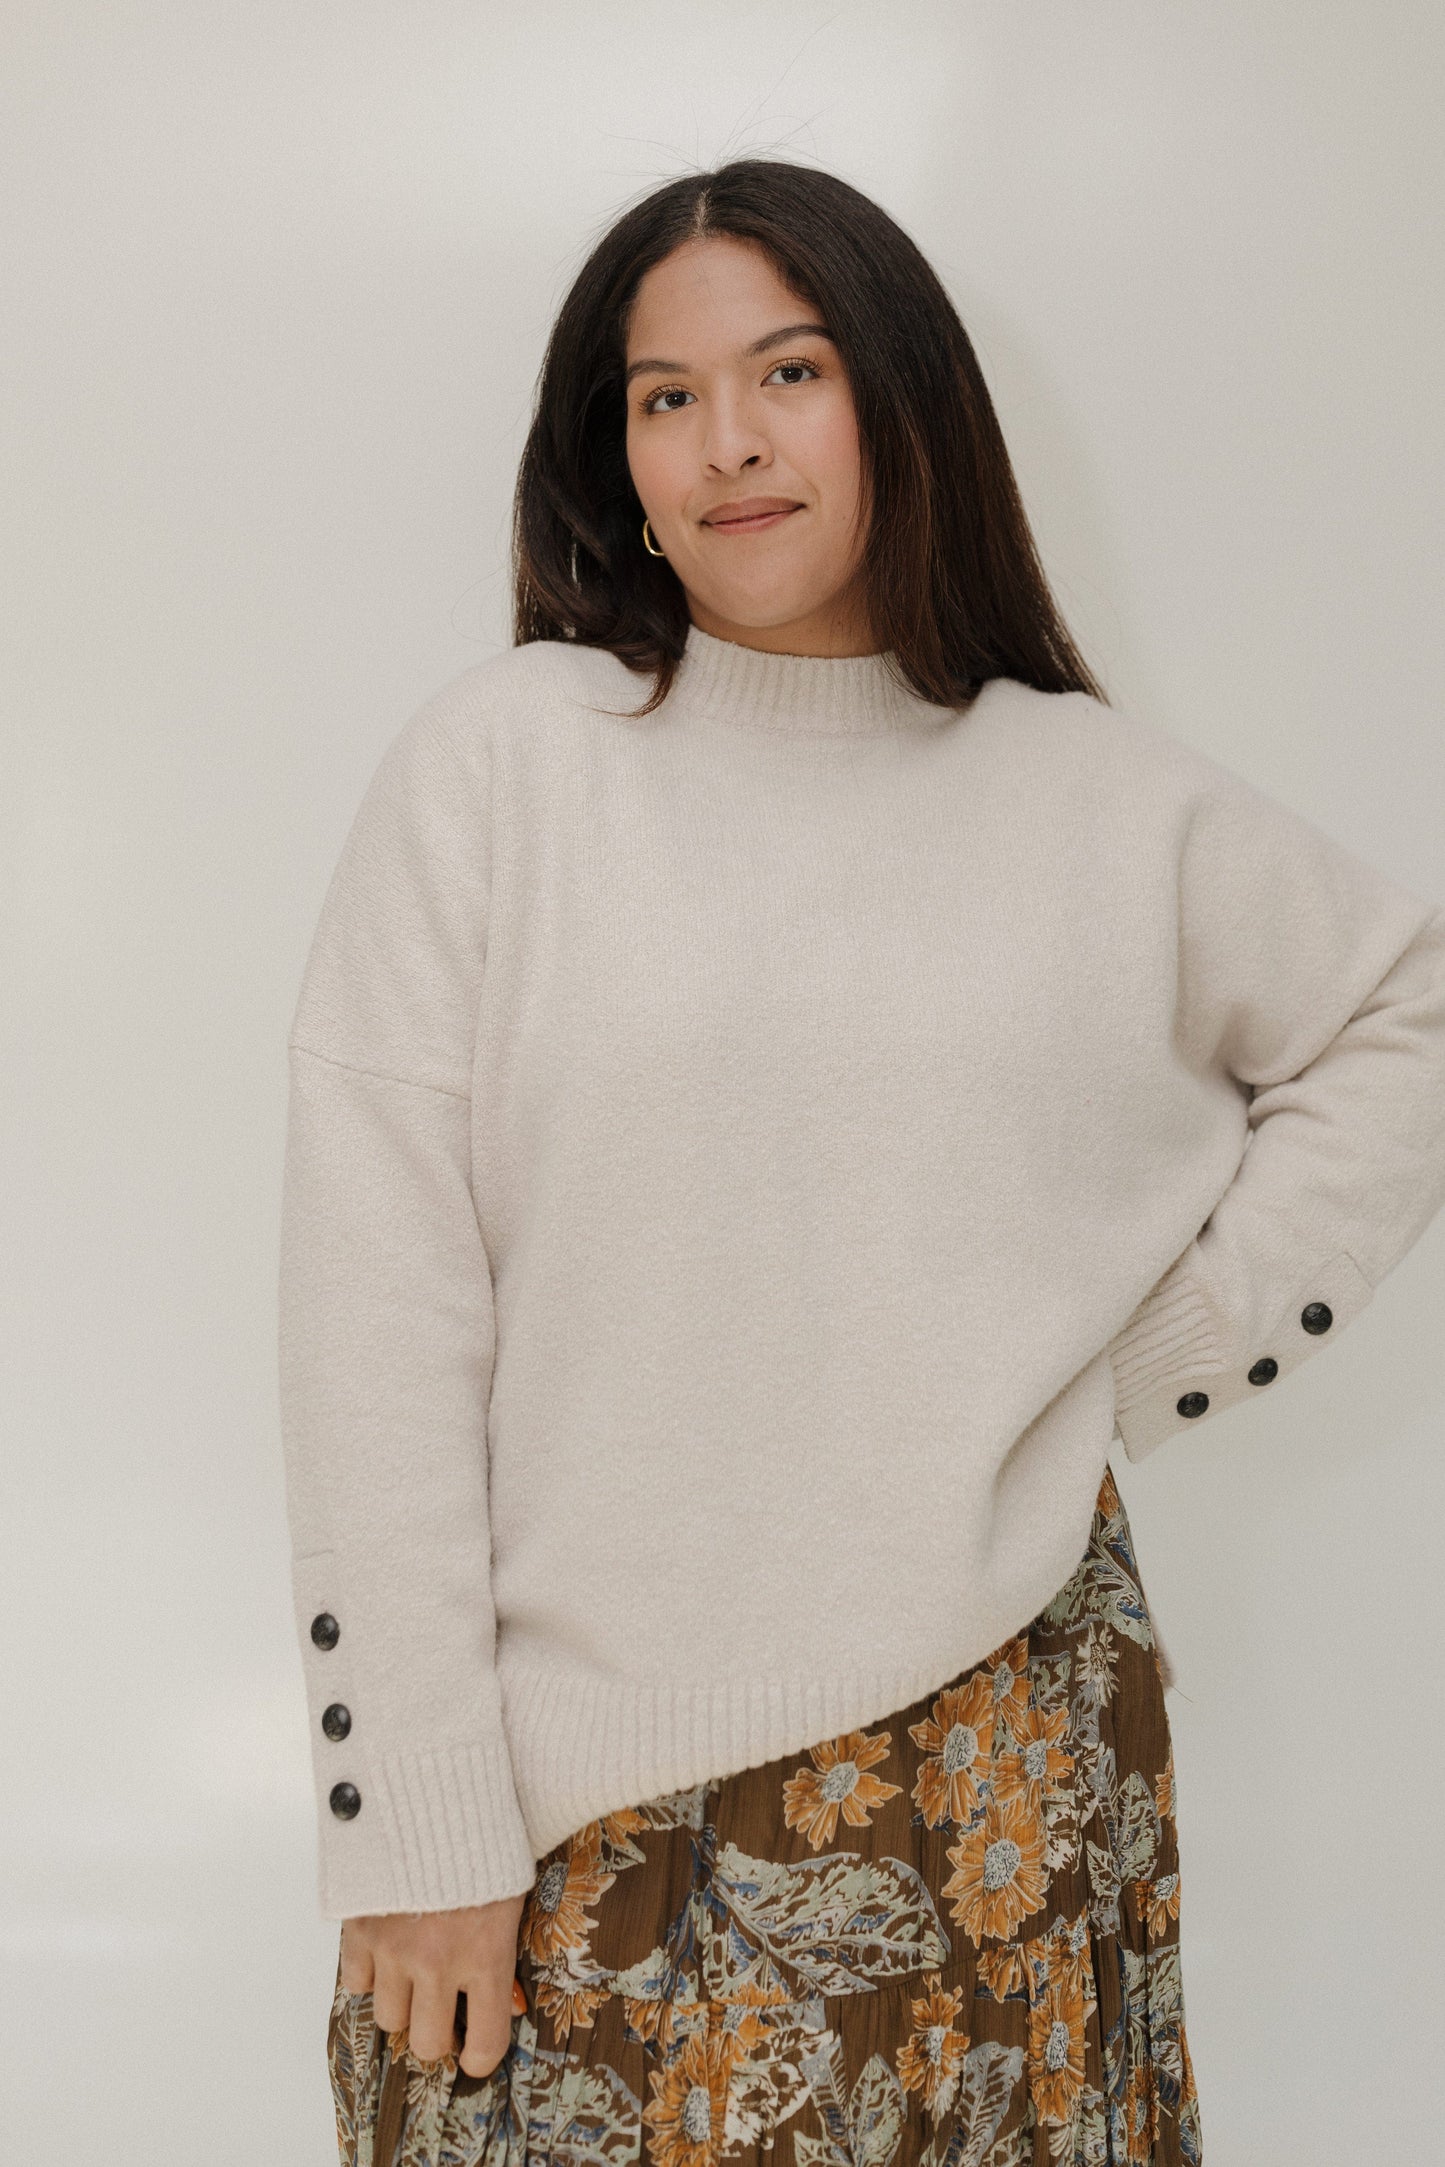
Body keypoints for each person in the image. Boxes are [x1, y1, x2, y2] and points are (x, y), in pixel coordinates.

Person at [277, 159, 1445, 2166]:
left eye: (788, 371)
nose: (727, 441)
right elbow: (376, 1326)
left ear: (903, 398)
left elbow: (1396, 1008)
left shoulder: (1089, 794)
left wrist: (1141, 1360)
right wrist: (420, 1816)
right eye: (663, 395)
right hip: (576, 1809)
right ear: (613, 454)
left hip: (1002, 1766)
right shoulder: (507, 766)